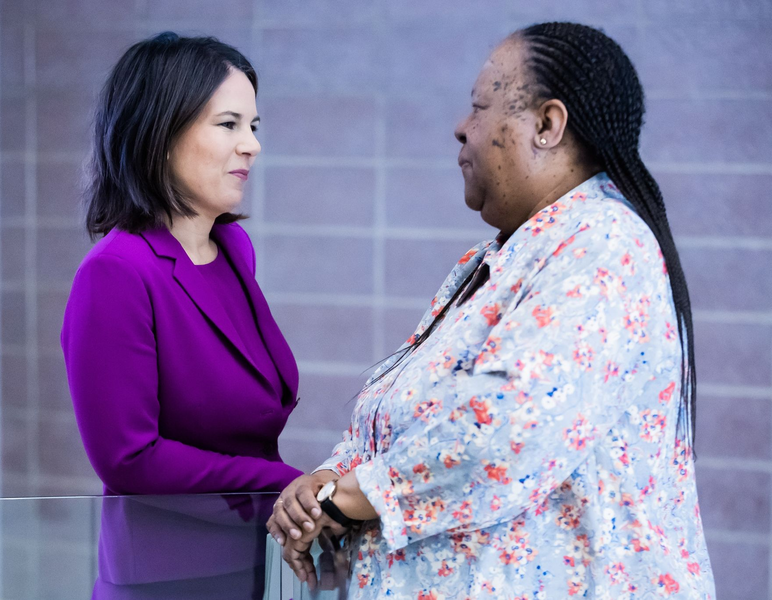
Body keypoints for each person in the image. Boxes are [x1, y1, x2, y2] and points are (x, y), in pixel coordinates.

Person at [267, 22, 716, 598]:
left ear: (548, 126)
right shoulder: (501, 258)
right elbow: (404, 417)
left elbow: (508, 424)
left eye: (480, 107)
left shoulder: (603, 246)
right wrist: (329, 478)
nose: (461, 127)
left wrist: (348, 498)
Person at [61, 33, 302, 500]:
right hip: (166, 566)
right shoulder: (116, 273)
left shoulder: (233, 249)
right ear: (161, 134)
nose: (252, 145)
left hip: (249, 552)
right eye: (229, 124)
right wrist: (289, 484)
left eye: (254, 126)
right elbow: (129, 461)